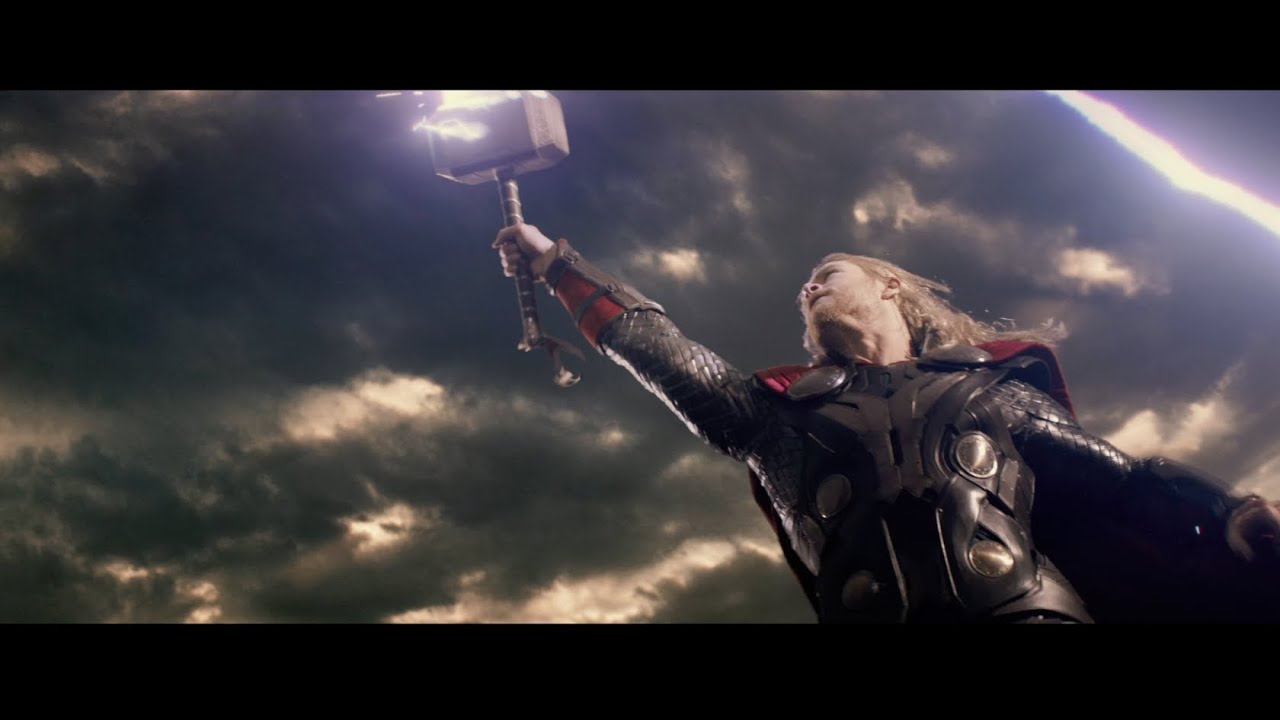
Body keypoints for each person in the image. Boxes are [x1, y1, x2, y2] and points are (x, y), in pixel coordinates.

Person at [494, 224, 1280, 623]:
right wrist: (557, 263)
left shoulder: (990, 391)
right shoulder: (773, 419)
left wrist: (1235, 511)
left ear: (891, 290)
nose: (808, 288)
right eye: (803, 289)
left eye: (825, 275)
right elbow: (662, 352)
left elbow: (1127, 482)